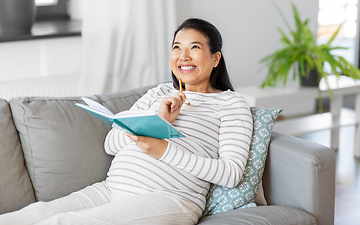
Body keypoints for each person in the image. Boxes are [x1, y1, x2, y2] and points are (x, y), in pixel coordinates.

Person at [0, 18, 253, 225]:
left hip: (169, 199)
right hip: (111, 189)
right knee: (24, 218)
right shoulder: (158, 94)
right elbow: (111, 143)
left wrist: (163, 150)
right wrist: (158, 120)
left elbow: (230, 174)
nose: (183, 56)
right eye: (177, 47)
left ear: (216, 58)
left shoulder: (231, 104)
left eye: (195, 48)